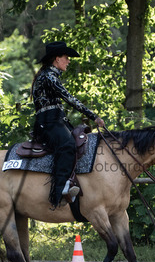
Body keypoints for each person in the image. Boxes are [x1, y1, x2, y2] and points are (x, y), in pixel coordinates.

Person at [31, 41, 105, 208]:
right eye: (66, 57)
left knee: (80, 141)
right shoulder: (48, 76)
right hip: (49, 123)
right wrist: (94, 116)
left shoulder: (48, 75)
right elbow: (69, 99)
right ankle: (59, 192)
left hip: (56, 121)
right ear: (57, 59)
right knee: (67, 146)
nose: (69, 61)